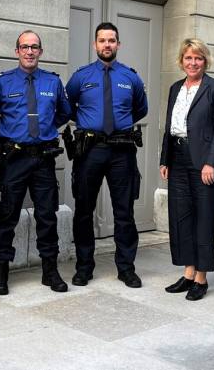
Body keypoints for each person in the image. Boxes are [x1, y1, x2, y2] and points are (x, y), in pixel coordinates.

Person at [0, 30, 72, 295]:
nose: (30, 51)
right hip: (14, 159)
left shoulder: (53, 82)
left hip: (43, 158)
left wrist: (44, 130)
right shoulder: (3, 82)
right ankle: (1, 272)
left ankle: (50, 271)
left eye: (34, 47)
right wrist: (12, 129)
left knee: (47, 216)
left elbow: (64, 113)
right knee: (7, 216)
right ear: (16, 51)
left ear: (41, 52)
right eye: (25, 47)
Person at [65, 22, 148, 288]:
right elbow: (68, 107)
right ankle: (84, 267)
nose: (107, 45)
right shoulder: (81, 77)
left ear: (118, 44)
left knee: (124, 211)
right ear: (95, 45)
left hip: (121, 150)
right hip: (90, 150)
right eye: (102, 40)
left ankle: (126, 268)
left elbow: (140, 109)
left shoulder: (131, 77)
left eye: (111, 40)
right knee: (84, 210)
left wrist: (118, 122)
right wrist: (90, 122)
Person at [159, 38, 214, 301]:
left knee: (204, 217)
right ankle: (188, 272)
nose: (193, 62)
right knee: (181, 216)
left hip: (203, 161)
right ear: (181, 61)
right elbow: (169, 126)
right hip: (177, 157)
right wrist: (164, 159)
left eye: (198, 58)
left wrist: (211, 162)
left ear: (205, 61)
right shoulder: (175, 87)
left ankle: (201, 277)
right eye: (188, 58)